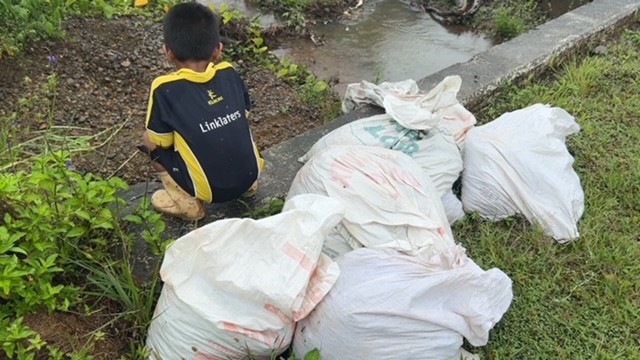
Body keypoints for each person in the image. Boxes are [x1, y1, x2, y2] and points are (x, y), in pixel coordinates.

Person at [141, 1, 264, 221]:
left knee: (148, 139)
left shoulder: (164, 88)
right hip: (250, 175)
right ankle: (248, 186)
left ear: (168, 52)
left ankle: (187, 203)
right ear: (218, 49)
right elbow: (244, 115)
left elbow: (161, 142)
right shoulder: (229, 72)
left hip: (210, 191)